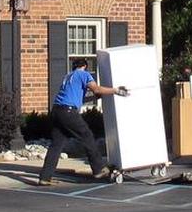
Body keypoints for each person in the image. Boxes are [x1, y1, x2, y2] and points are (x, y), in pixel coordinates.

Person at [38, 58, 130, 186]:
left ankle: (45, 177)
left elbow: (77, 98)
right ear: (85, 66)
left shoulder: (68, 76)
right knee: (86, 136)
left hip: (57, 111)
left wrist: (95, 96)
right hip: (69, 112)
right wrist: (116, 91)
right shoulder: (84, 74)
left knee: (56, 145)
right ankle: (98, 169)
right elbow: (96, 89)